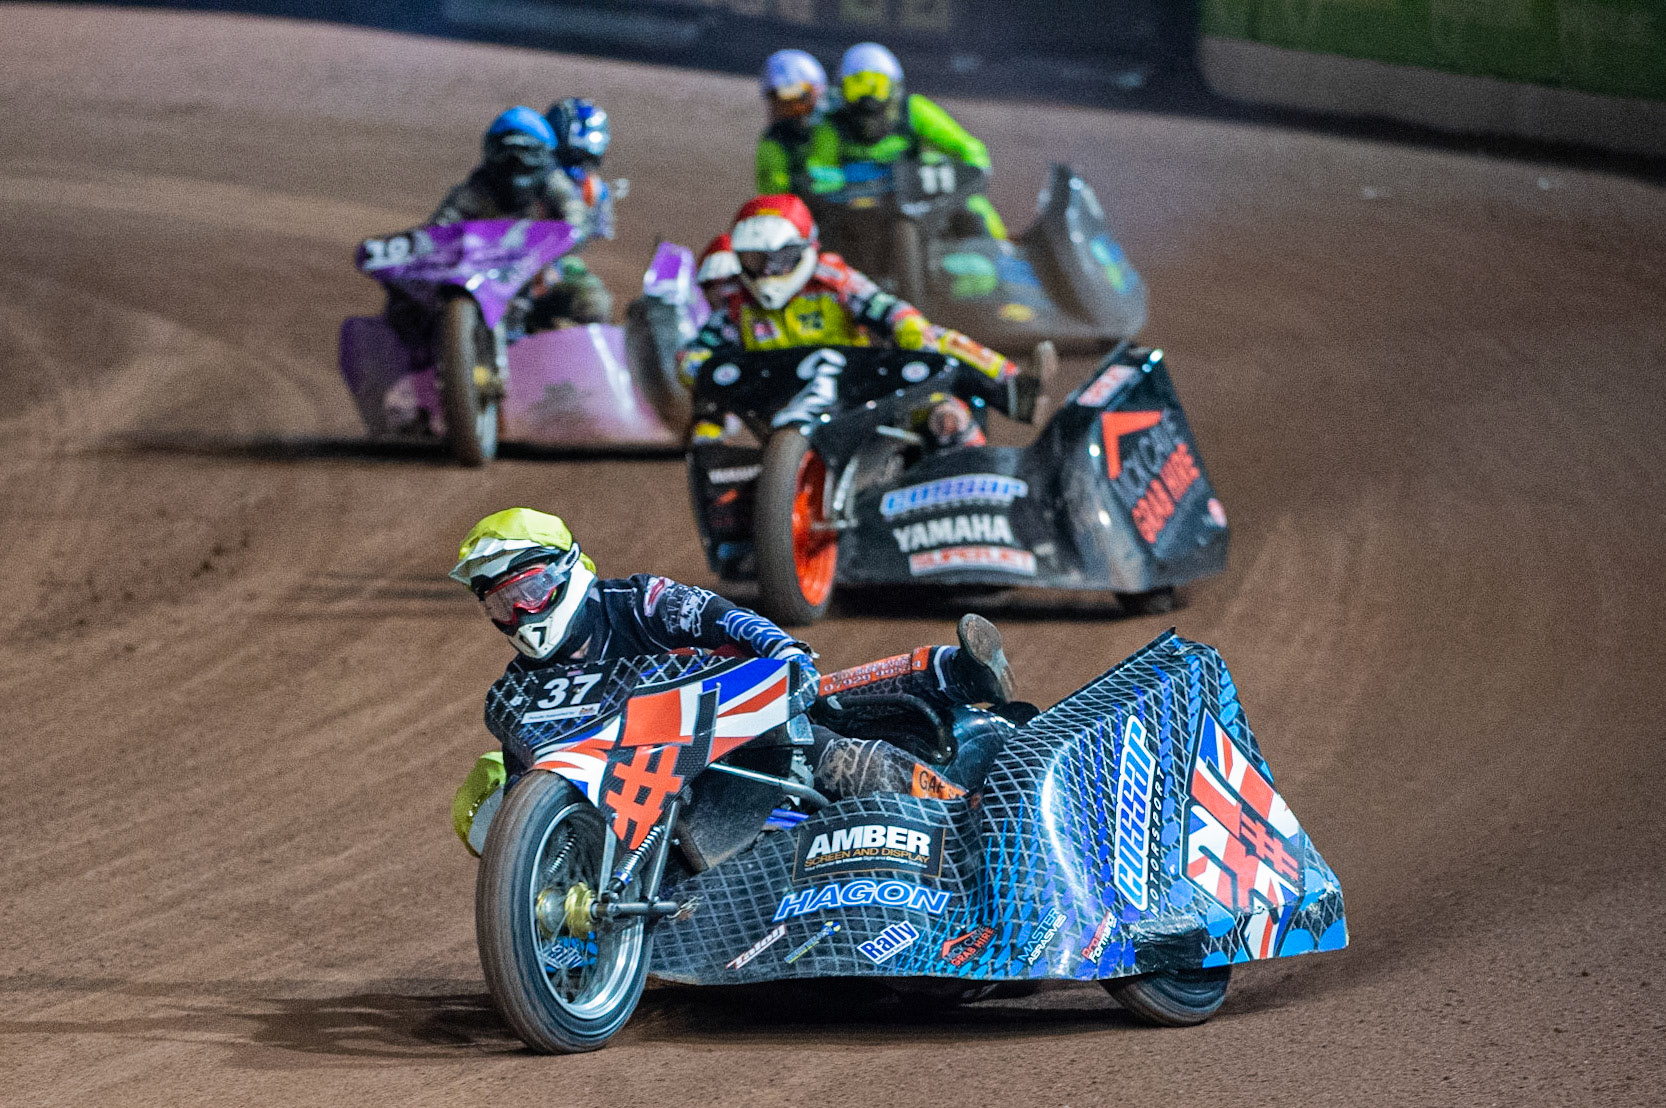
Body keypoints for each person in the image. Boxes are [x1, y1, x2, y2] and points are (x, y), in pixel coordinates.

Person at [448, 508, 1017, 851]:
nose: (519, 615)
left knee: (837, 748)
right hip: (639, 799)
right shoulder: (518, 688)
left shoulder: (635, 601)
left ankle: (972, 813)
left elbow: (721, 617)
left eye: (528, 593)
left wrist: (780, 647)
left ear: (567, 570)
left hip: (736, 737)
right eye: (501, 606)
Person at [676, 194, 1044, 448]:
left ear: (804, 249)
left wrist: (906, 326)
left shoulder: (833, 278)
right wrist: (694, 366)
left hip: (859, 392)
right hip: (778, 404)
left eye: (780, 260)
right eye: (756, 261)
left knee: (944, 403)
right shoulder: (738, 302)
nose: (769, 273)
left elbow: (885, 306)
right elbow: (696, 352)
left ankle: (1013, 390)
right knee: (705, 427)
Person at [428, 105, 611, 326]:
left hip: (544, 273)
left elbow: (576, 218)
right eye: (505, 153)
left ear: (544, 155)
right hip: (481, 271)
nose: (515, 163)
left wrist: (562, 243)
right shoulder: (478, 186)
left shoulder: (554, 184)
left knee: (592, 298)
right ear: (490, 152)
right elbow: (438, 229)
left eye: (527, 154)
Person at [804, 42, 1006, 240]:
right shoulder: (830, 125)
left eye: (877, 86)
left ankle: (1002, 256)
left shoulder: (913, 110)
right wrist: (840, 181)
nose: (868, 100)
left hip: (918, 203)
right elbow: (817, 172)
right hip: (854, 211)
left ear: (894, 89)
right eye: (856, 86)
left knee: (975, 206)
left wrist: (971, 172)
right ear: (842, 91)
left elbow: (969, 149)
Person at [755, 49, 826, 195]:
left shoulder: (832, 130)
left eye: (800, 99)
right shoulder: (773, 143)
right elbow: (772, 190)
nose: (795, 109)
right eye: (783, 101)